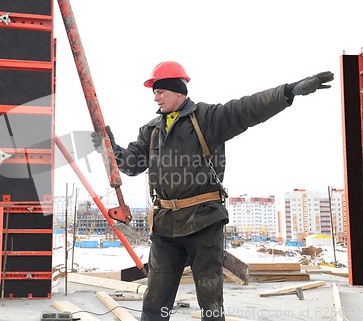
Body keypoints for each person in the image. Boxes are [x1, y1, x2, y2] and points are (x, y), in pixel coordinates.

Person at [92, 61, 334, 320]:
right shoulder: (151, 131)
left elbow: (248, 108)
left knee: (210, 300)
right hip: (165, 227)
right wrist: (111, 150)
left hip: (204, 221)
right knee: (154, 302)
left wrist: (287, 91)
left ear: (179, 91)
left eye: (161, 90)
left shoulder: (208, 119)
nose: (156, 96)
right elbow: (131, 165)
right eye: (154, 91)